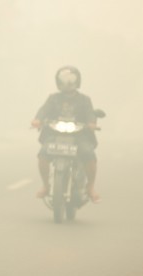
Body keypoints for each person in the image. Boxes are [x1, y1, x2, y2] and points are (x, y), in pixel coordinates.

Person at [31, 66, 100, 203]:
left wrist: (92, 123)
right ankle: (46, 185)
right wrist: (37, 120)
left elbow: (90, 114)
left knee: (89, 153)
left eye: (71, 80)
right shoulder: (53, 98)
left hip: (79, 136)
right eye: (64, 80)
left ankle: (90, 187)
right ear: (58, 82)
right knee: (43, 155)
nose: (67, 84)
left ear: (77, 81)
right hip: (55, 134)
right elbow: (44, 110)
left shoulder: (85, 100)